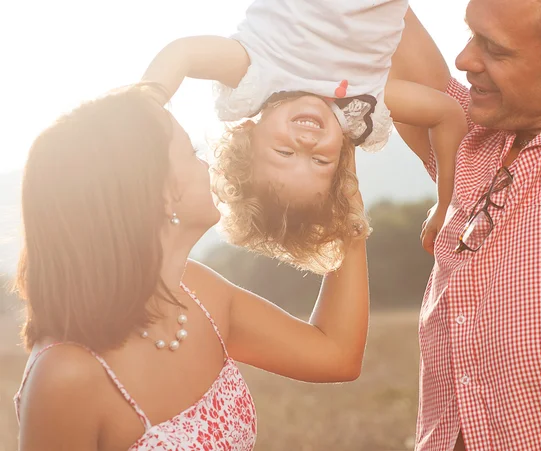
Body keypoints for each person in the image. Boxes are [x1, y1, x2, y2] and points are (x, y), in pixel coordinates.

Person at [13, 84, 369, 451]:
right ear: (161, 193)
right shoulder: (66, 376)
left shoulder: (197, 293)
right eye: (190, 152)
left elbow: (336, 355)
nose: (206, 164)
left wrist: (346, 203)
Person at [394, 3, 541, 450]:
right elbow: (386, 33)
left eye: (495, 49)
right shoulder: (470, 136)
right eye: (470, 35)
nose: (465, 59)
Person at [142, 0, 467, 273]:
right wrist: (445, 202)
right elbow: (448, 114)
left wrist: (144, 103)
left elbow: (183, 53)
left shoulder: (256, 76)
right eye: (319, 160)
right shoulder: (363, 104)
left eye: (284, 152)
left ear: (248, 134)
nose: (305, 145)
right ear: (342, 157)